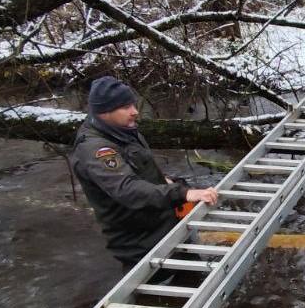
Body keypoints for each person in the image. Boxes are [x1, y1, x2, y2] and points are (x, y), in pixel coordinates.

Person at [70, 76, 219, 271]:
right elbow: (127, 189)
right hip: (142, 244)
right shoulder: (96, 149)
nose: (135, 111)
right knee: (165, 294)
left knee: (195, 276)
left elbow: (139, 168)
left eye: (132, 104)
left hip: (164, 227)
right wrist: (182, 193)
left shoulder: (123, 129)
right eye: (125, 107)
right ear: (104, 112)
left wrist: (165, 181)